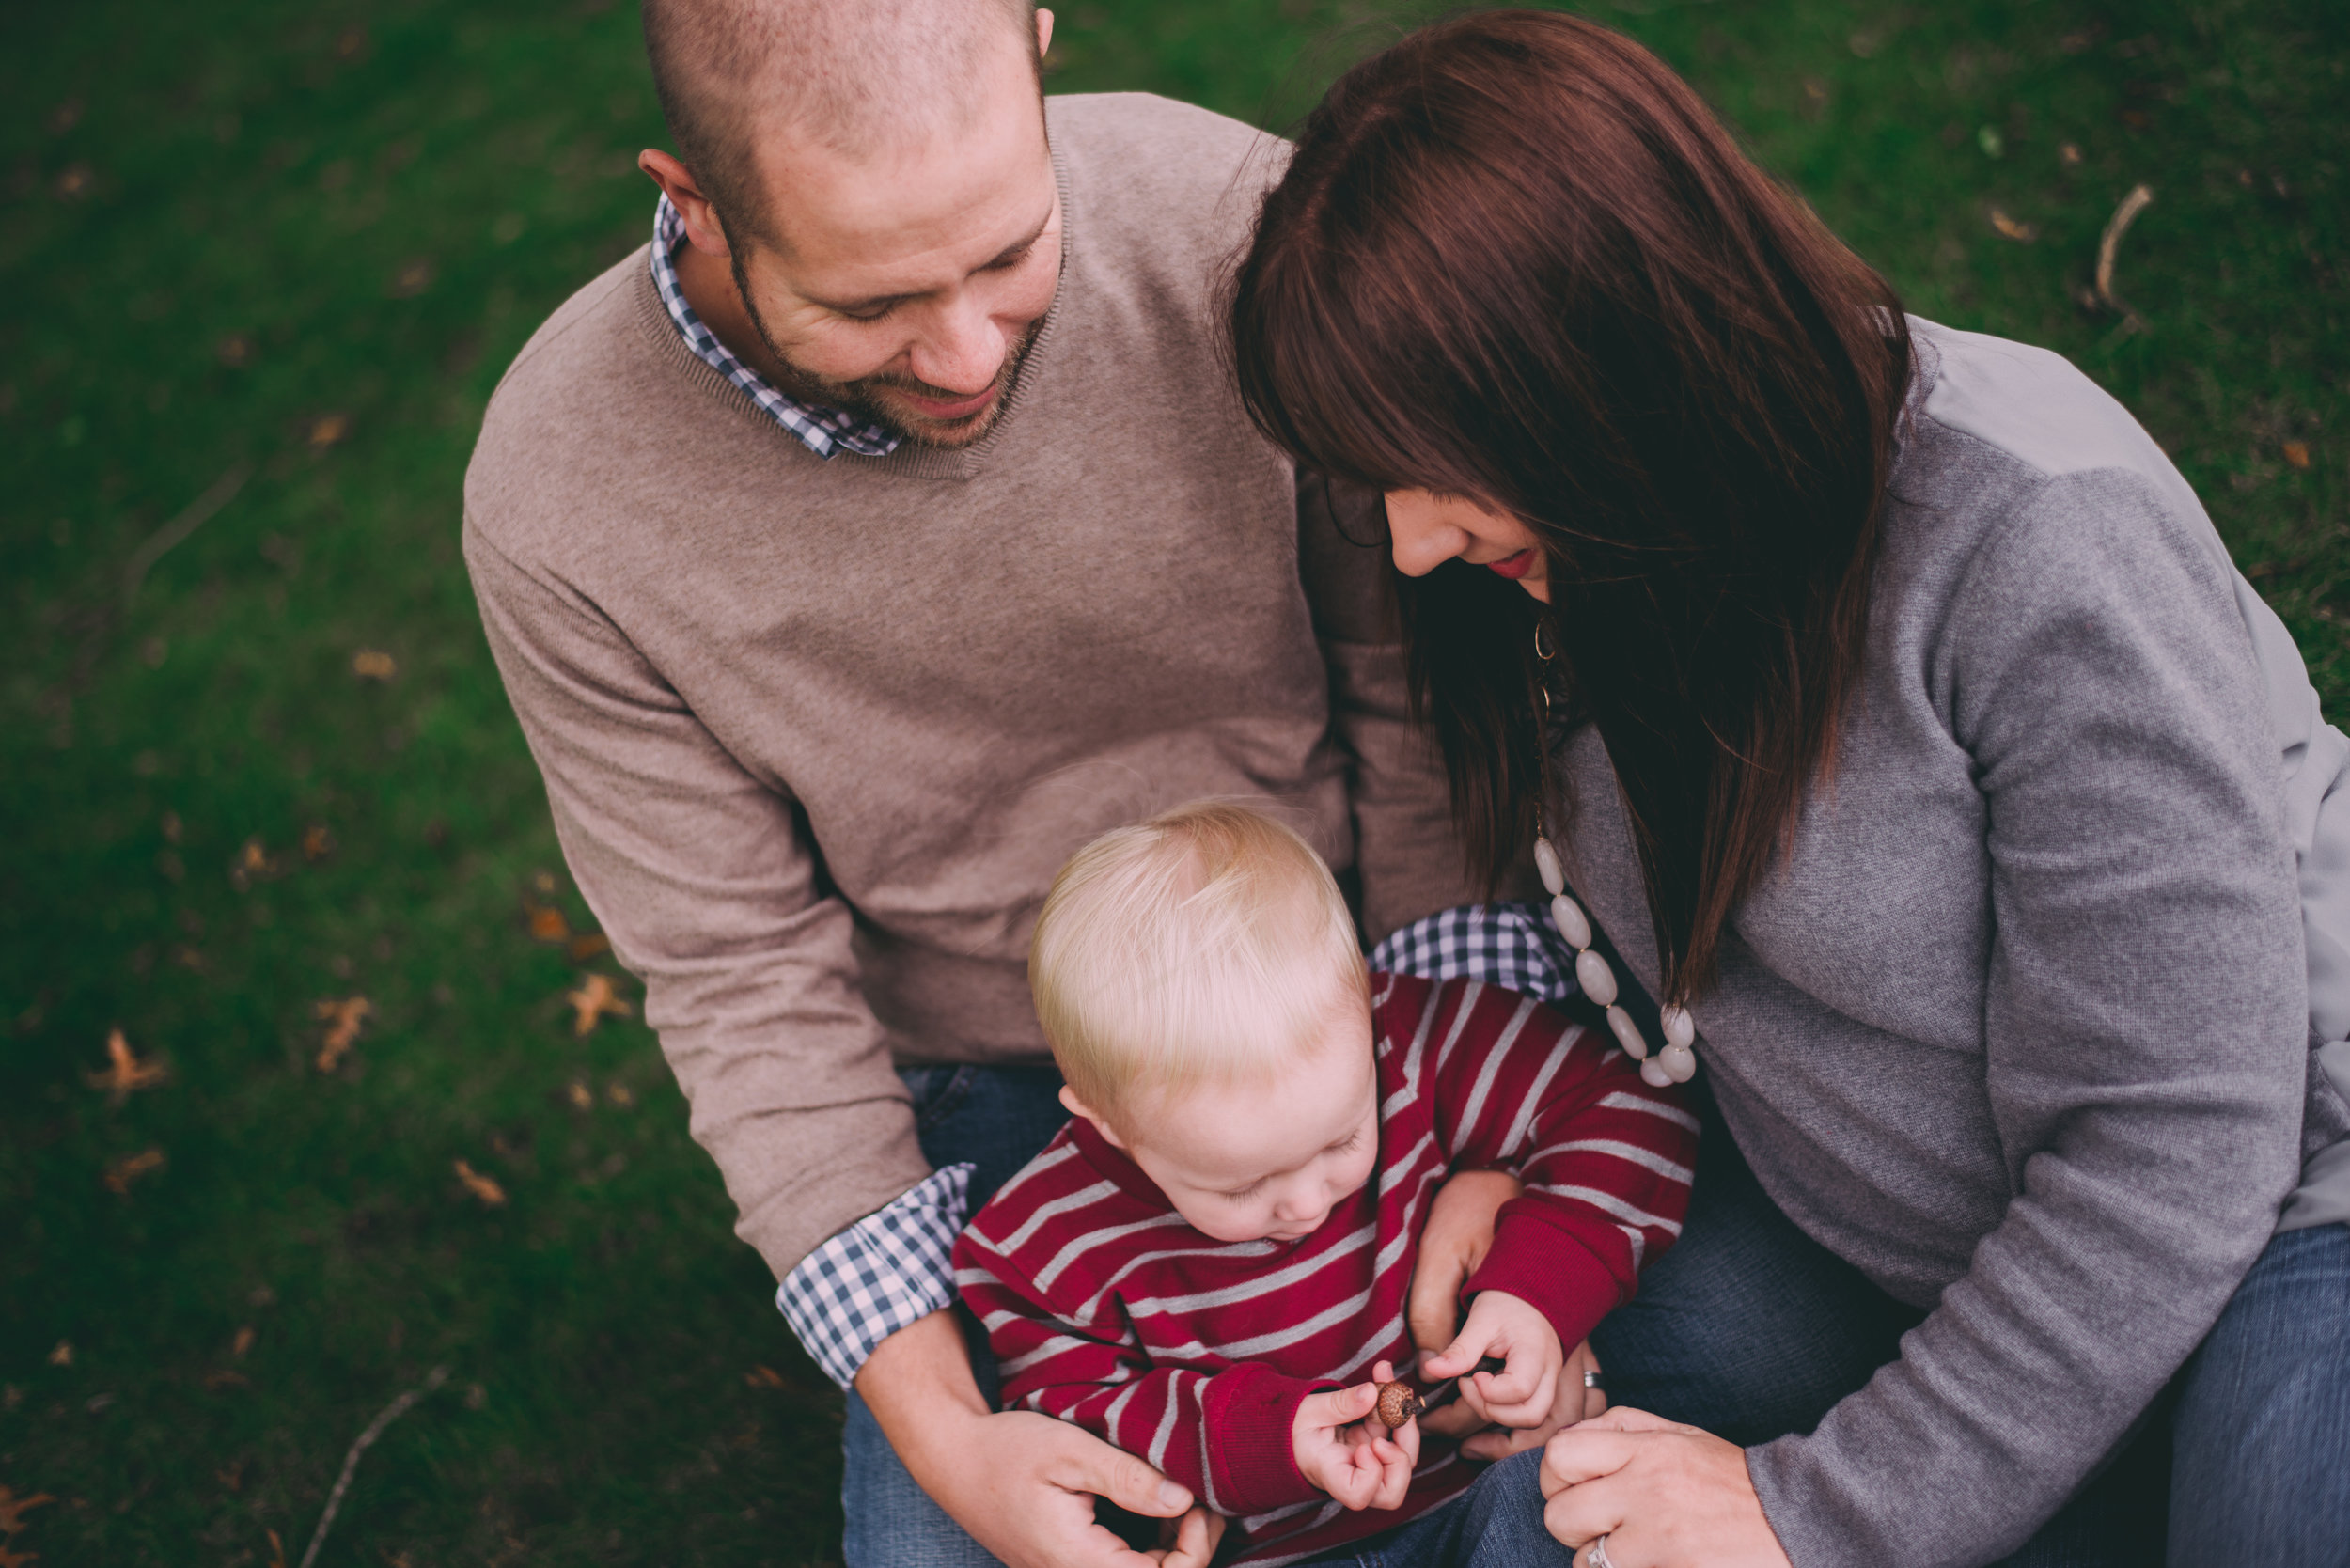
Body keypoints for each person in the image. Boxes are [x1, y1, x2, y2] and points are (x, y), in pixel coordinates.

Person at [1225, 10, 2350, 1568]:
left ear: (1600, 377)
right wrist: (1522, 1182)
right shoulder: (1570, 564)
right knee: (1537, 1503)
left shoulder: (2034, 541)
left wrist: (1806, 1509)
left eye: (1434, 469)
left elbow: (2178, 1148)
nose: (1409, 541)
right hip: (1879, 1232)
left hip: (2285, 1206)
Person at [461, 2, 1492, 1561]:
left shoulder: (1231, 219)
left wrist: (1465, 1096)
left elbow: (1410, 688)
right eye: (873, 301)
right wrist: (950, 1436)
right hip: (998, 1095)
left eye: (1012, 253)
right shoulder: (559, 502)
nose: (963, 357)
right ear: (694, 199)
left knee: (1703, 1365)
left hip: (1342, 988)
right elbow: (741, 982)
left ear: (1040, 46)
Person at [953, 802, 1695, 1564]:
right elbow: (1080, 1420)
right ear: (1109, 1122)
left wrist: (1538, 1287)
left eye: (1343, 1139)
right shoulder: (1050, 1243)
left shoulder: (1409, 1045)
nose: (1310, 1204)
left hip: (1491, 1489)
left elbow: (1629, 1108)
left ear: (1361, 1004)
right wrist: (1268, 1443)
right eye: (1241, 1188)